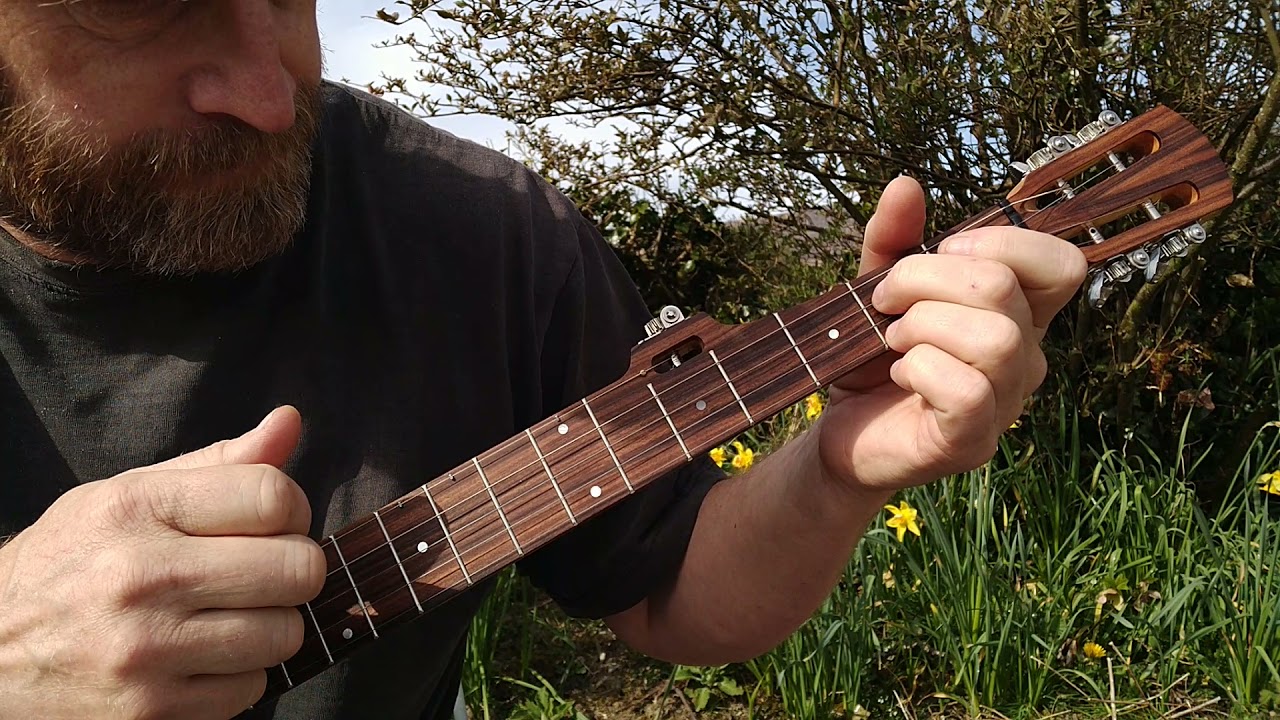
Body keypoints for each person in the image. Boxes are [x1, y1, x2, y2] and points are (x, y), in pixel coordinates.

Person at [0, 2, 1088, 719]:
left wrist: (838, 465)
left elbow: (668, 587)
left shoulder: (484, 236)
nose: (269, 93)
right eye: (138, 7)